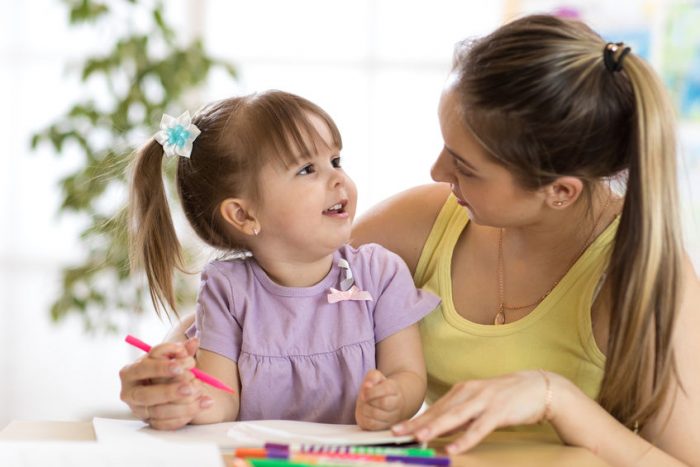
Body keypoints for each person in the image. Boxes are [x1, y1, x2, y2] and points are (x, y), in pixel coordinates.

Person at [119, 15, 700, 465]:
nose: (436, 172)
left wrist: (556, 397)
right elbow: (261, 304)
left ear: (561, 192)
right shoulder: (427, 223)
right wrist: (167, 384)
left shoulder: (642, 276)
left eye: (466, 166)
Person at [125, 90, 439, 431]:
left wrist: (394, 399)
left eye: (335, 161)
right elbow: (222, 397)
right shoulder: (227, 290)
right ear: (243, 215)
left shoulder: (380, 274)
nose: (338, 178)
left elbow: (408, 375)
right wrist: (185, 398)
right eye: (307, 169)